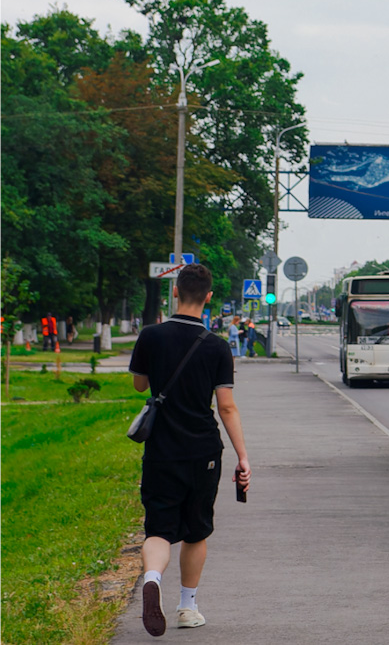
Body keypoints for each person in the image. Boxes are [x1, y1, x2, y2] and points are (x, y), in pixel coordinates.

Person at [129, 264, 250, 636]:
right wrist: (243, 456)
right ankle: (186, 606)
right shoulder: (216, 346)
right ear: (209, 297)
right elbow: (226, 406)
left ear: (176, 293)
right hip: (203, 452)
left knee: (159, 529)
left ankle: (152, 579)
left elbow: (139, 386)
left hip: (161, 449)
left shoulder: (151, 336)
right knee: (196, 531)